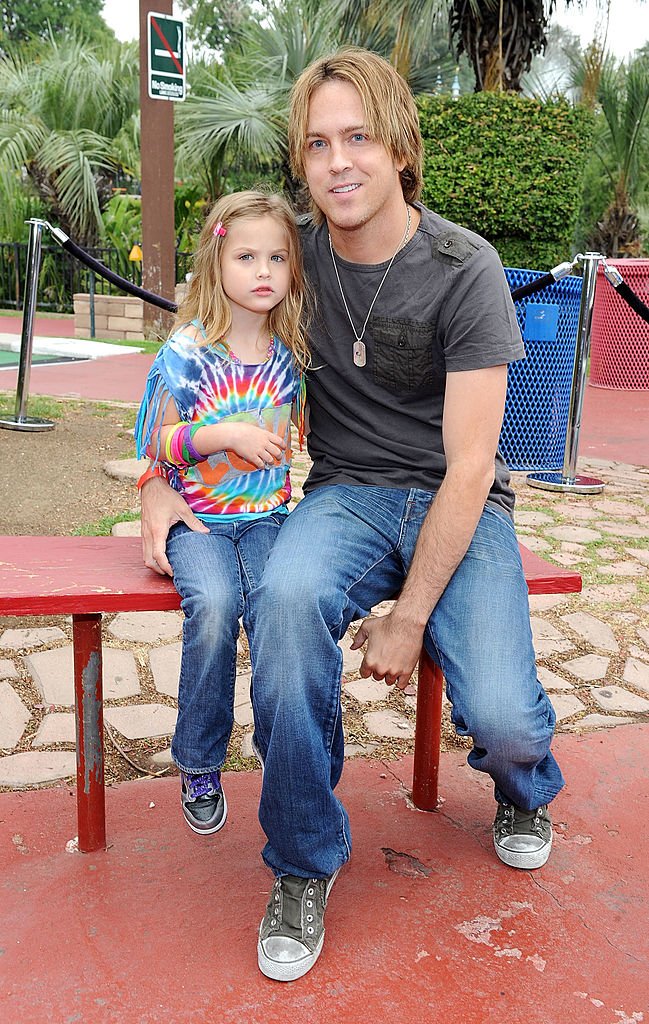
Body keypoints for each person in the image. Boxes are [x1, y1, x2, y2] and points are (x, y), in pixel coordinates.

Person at [140, 49, 565, 982]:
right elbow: (195, 343)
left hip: (459, 501)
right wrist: (162, 481)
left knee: (503, 717)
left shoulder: (464, 268)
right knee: (284, 607)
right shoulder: (288, 255)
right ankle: (300, 859)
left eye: (358, 137)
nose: (337, 162)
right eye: (318, 143)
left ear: (401, 145)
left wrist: (408, 617)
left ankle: (524, 788)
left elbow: (470, 465)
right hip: (343, 495)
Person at [134, 189, 309, 839]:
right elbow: (157, 440)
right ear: (216, 261)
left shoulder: (289, 354)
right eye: (245, 256)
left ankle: (276, 742)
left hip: (266, 517)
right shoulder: (187, 351)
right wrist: (222, 434)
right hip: (199, 520)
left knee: (274, 605)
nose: (262, 272)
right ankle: (200, 760)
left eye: (277, 258)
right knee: (212, 606)